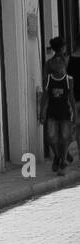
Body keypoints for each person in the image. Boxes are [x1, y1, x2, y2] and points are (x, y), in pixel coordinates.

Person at [42, 37, 75, 175]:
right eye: (64, 46)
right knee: (52, 136)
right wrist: (43, 108)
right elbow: (46, 86)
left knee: (64, 135)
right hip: (54, 104)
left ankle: (62, 157)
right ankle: (60, 156)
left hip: (65, 102)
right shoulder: (54, 63)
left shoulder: (64, 61)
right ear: (61, 48)